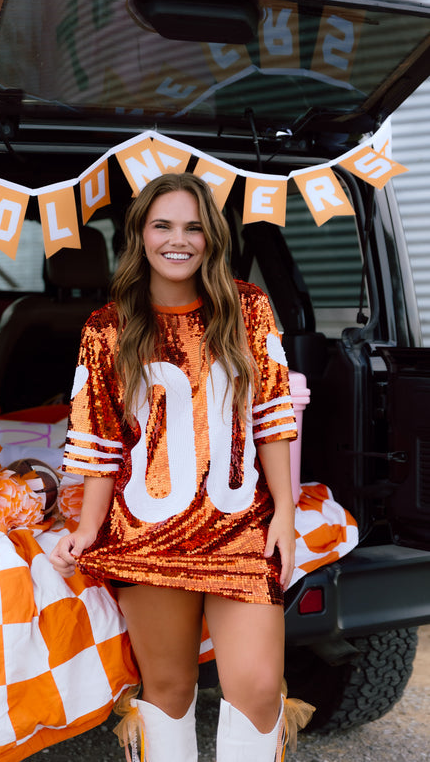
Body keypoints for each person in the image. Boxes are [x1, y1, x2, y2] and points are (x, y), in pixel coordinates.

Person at [50, 172, 298, 762]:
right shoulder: (106, 327)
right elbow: (99, 442)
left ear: (212, 237)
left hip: (240, 530)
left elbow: (273, 416)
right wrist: (87, 528)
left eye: (193, 226)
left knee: (260, 689)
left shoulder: (249, 308)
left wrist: (285, 512)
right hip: (149, 535)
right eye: (162, 225)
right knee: (167, 690)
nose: (177, 239)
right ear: (139, 235)